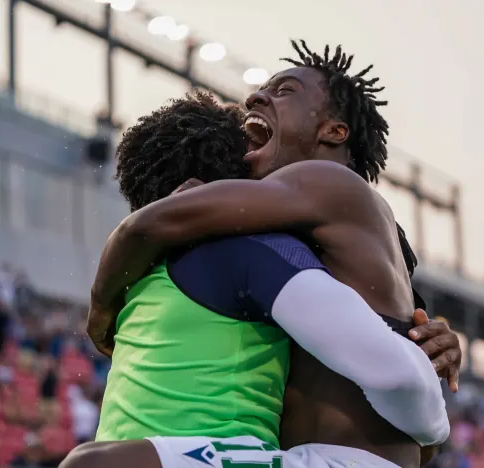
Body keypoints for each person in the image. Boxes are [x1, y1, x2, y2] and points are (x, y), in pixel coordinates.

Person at [78, 41, 461, 468]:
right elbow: (420, 432)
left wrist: (99, 313)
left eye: (285, 90)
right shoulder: (337, 228)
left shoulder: (328, 181)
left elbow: (145, 226)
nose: (256, 98)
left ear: (333, 131)